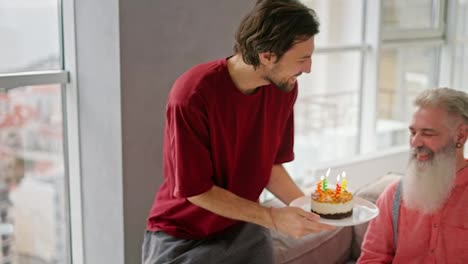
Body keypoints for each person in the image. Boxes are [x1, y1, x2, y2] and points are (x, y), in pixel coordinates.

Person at [142, 0, 335, 263]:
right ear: (267, 55)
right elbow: (196, 190)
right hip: (184, 235)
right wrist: (271, 218)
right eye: (302, 59)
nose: (308, 68)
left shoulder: (282, 89)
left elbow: (269, 166)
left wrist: (308, 208)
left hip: (244, 227)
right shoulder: (192, 95)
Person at [358, 87, 468, 263]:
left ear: (460, 136)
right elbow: (372, 258)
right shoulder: (394, 195)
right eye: (413, 132)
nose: (415, 142)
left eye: (427, 133)